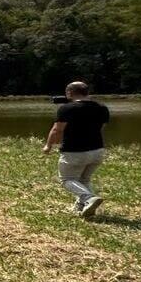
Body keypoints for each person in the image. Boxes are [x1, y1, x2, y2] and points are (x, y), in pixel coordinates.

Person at [42, 81, 110, 219]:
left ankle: (88, 197)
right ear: (86, 92)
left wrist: (48, 146)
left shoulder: (67, 108)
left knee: (67, 179)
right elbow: (101, 128)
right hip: (97, 150)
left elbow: (57, 130)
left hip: (74, 152)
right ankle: (82, 207)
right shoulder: (102, 108)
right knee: (84, 179)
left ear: (69, 93)